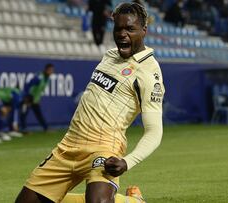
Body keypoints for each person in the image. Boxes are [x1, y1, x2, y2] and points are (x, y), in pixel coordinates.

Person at [15, 2, 164, 203]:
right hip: (68, 146)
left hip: (104, 147)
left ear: (143, 30)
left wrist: (127, 162)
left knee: (98, 202)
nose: (122, 34)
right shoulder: (109, 55)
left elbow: (154, 131)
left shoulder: (149, 73)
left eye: (130, 29)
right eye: (118, 28)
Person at [20, 64, 54, 132]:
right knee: (24, 113)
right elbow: (28, 85)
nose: (52, 72)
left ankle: (46, 128)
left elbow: (39, 90)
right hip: (29, 97)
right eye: (50, 70)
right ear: (46, 70)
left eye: (52, 70)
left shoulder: (47, 79)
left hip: (35, 99)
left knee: (38, 114)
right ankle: (23, 129)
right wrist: (27, 97)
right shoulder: (39, 77)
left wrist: (37, 99)